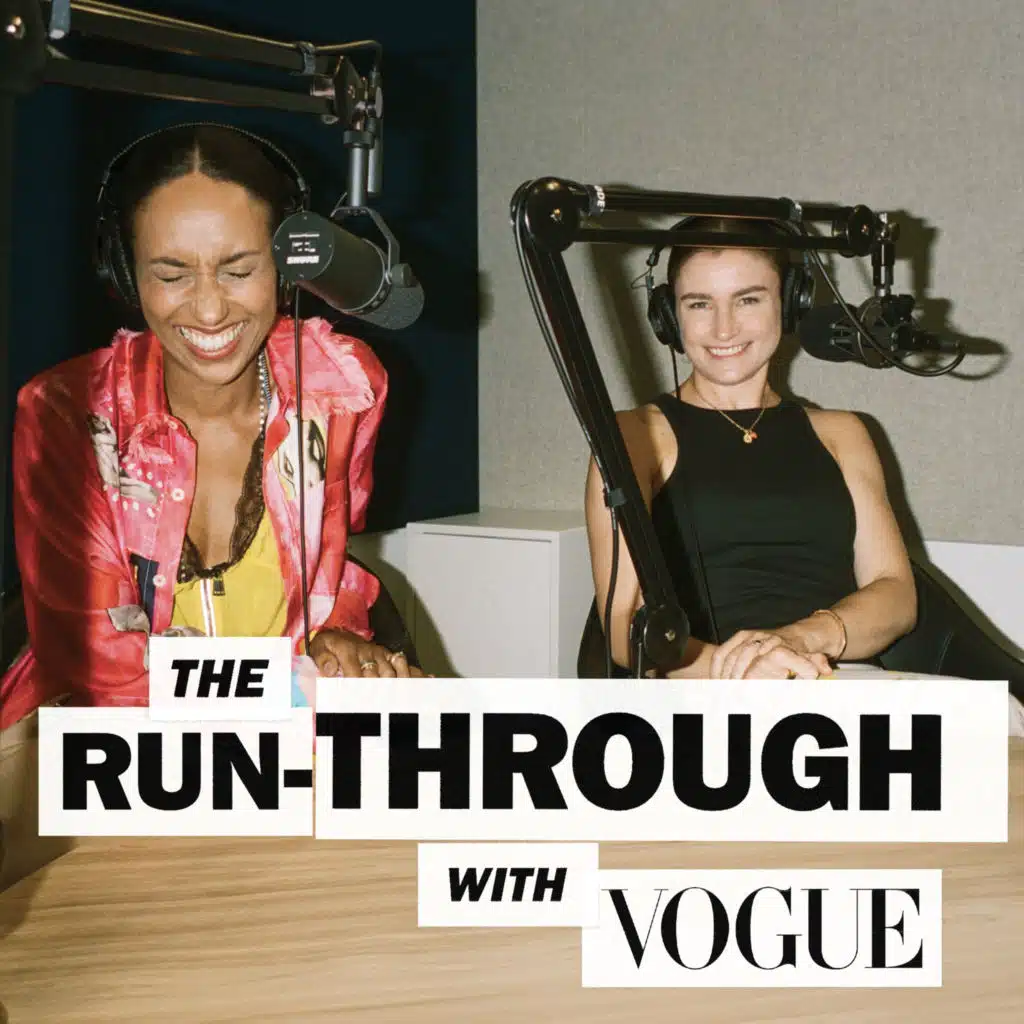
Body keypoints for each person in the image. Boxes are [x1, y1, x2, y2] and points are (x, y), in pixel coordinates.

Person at [1, 121, 424, 737]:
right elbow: (99, 668)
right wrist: (297, 691)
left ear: (286, 268)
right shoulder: (67, 413)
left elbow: (330, 573)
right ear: (126, 272)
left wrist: (337, 637)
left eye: (238, 270)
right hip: (111, 742)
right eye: (172, 275)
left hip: (283, 729)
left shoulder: (342, 387)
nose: (208, 309)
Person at [584, 216, 918, 679]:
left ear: (791, 303)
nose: (723, 329)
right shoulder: (633, 436)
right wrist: (744, 671)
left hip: (834, 677)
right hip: (707, 685)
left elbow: (896, 593)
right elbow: (624, 628)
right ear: (669, 317)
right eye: (699, 304)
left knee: (1002, 715)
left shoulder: (844, 433)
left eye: (748, 299)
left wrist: (800, 640)